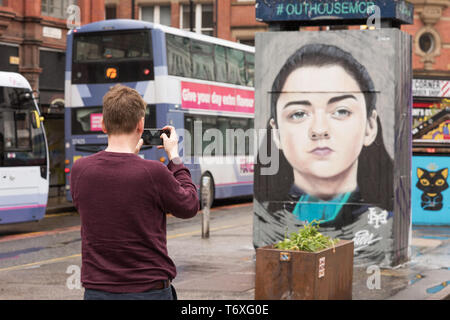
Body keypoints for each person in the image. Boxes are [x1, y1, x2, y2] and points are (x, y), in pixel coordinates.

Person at [254, 44, 394, 267]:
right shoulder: (268, 221)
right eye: (299, 114)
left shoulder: (386, 225)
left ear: (370, 126)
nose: (319, 129)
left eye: (341, 111)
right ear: (277, 133)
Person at [70, 84, 199, 300]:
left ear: (103, 125)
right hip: (148, 291)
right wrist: (175, 158)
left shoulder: (80, 170)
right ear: (140, 125)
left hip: (97, 291)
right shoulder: (153, 172)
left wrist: (128, 159)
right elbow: (189, 205)